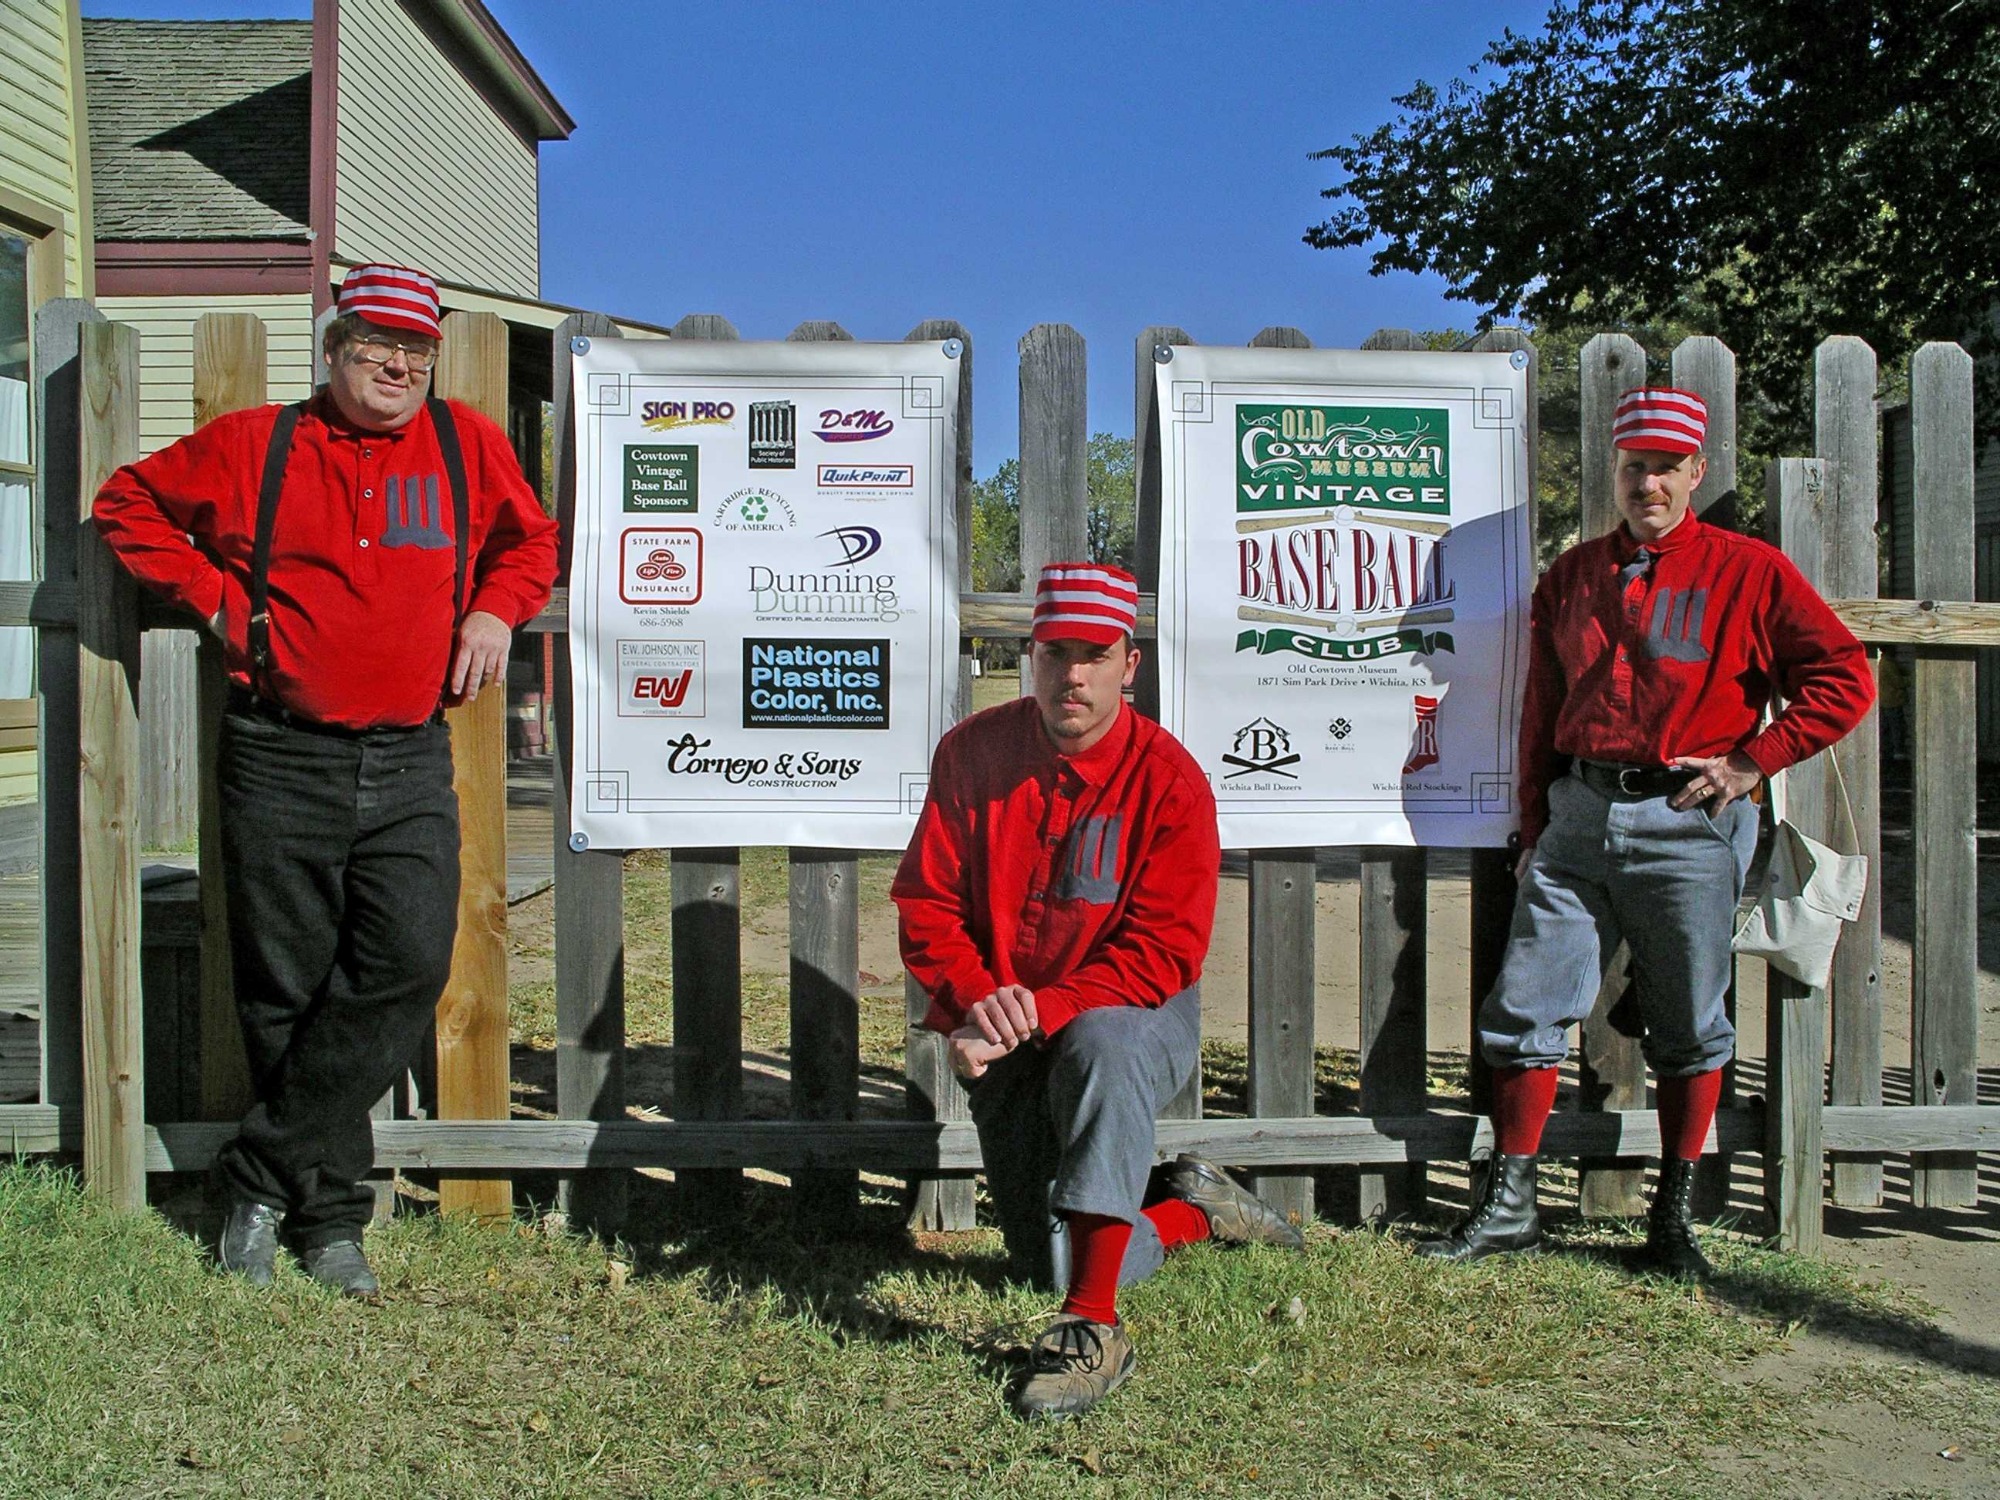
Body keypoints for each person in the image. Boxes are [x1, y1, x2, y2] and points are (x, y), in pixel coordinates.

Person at [92, 263, 559, 1296]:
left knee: (407, 961)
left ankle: (253, 1174)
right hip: (278, 752)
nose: (399, 365)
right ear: (335, 349)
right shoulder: (256, 445)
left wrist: (495, 609)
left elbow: (532, 542)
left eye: (417, 349)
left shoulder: (465, 445)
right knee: (285, 987)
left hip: (407, 754)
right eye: (377, 345)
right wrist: (217, 599)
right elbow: (126, 504)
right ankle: (329, 1219)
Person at [1417, 386, 1874, 1280]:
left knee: (1691, 1023)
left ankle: (1672, 1218)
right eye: (1634, 467)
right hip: (1580, 815)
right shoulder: (1574, 576)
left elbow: (1843, 677)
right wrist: (1535, 823)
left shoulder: (1751, 572)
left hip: (1690, 818)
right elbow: (1541, 710)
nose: (1648, 485)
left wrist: (1752, 762)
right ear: (1615, 472)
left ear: (1697, 471)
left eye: (1667, 468)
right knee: (1526, 1006)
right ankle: (1510, 1207)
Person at [893, 561, 1303, 1421]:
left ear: (1129, 664)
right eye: (1054, 652)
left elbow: (1164, 951)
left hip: (1131, 1016)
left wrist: (1038, 1011)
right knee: (1043, 1260)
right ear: (1030, 656)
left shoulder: (1170, 780)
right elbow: (927, 903)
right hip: (1004, 1020)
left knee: (1103, 1042)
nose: (1071, 675)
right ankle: (1193, 1210)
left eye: (1094, 654)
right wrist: (978, 999)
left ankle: (1091, 1328)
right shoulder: (972, 753)